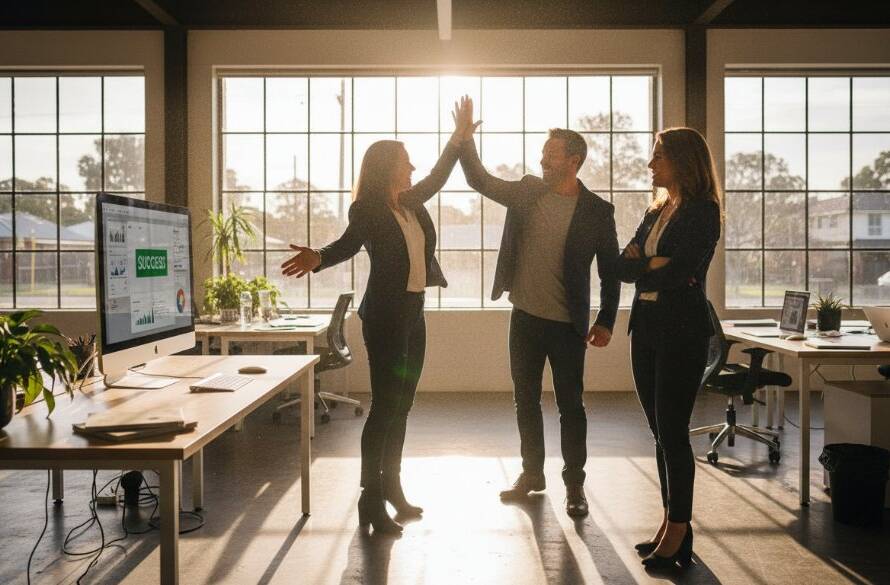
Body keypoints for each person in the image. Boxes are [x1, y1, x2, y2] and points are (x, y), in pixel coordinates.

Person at [281, 97, 475, 535]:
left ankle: (393, 489)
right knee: (386, 406)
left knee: (402, 406)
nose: (411, 167)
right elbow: (347, 245)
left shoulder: (412, 202)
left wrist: (459, 140)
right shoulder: (367, 209)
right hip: (385, 316)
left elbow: (438, 176)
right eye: (405, 161)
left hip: (414, 312)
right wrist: (319, 257)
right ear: (387, 166)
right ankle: (370, 500)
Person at [456, 102, 620, 517]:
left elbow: (612, 272)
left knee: (571, 407)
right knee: (525, 400)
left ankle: (575, 486)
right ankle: (532, 474)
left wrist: (606, 319)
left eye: (550, 153)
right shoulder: (529, 191)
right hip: (524, 318)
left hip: (569, 327)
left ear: (573, 160)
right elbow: (480, 180)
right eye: (543, 153)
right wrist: (464, 139)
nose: (542, 158)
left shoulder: (598, 212)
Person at [615, 127, 722, 569]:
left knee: (674, 434)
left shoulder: (703, 211)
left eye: (658, 156)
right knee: (660, 433)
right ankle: (672, 523)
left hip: (682, 331)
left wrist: (649, 264)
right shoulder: (657, 208)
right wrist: (649, 264)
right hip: (646, 329)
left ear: (682, 160)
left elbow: (679, 273)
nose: (650, 164)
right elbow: (625, 267)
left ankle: (678, 531)